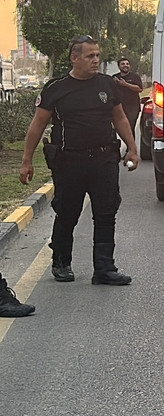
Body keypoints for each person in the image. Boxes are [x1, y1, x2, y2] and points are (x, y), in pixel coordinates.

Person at [20, 35, 140, 286]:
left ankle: (105, 268)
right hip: (69, 162)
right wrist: (26, 160)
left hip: (104, 159)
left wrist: (132, 147)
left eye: (97, 55)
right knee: (67, 213)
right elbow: (38, 124)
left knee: (106, 213)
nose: (96, 60)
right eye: (90, 56)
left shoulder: (108, 85)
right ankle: (61, 262)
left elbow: (119, 118)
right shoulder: (56, 89)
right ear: (75, 59)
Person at [113, 57, 144, 138]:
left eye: (127, 64)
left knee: (130, 127)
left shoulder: (135, 77)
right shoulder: (114, 77)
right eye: (123, 64)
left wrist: (125, 84)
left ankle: (130, 147)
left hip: (133, 107)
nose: (125, 66)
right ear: (119, 66)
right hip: (119, 106)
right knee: (117, 127)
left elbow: (139, 89)